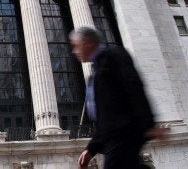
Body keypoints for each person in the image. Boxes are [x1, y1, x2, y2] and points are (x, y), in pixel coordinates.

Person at [69, 27, 166, 169]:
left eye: (76, 46)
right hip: (115, 139)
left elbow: (134, 87)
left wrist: (148, 123)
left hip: (124, 134)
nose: (74, 51)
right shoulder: (94, 74)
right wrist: (91, 149)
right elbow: (104, 117)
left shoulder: (113, 55)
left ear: (88, 43)